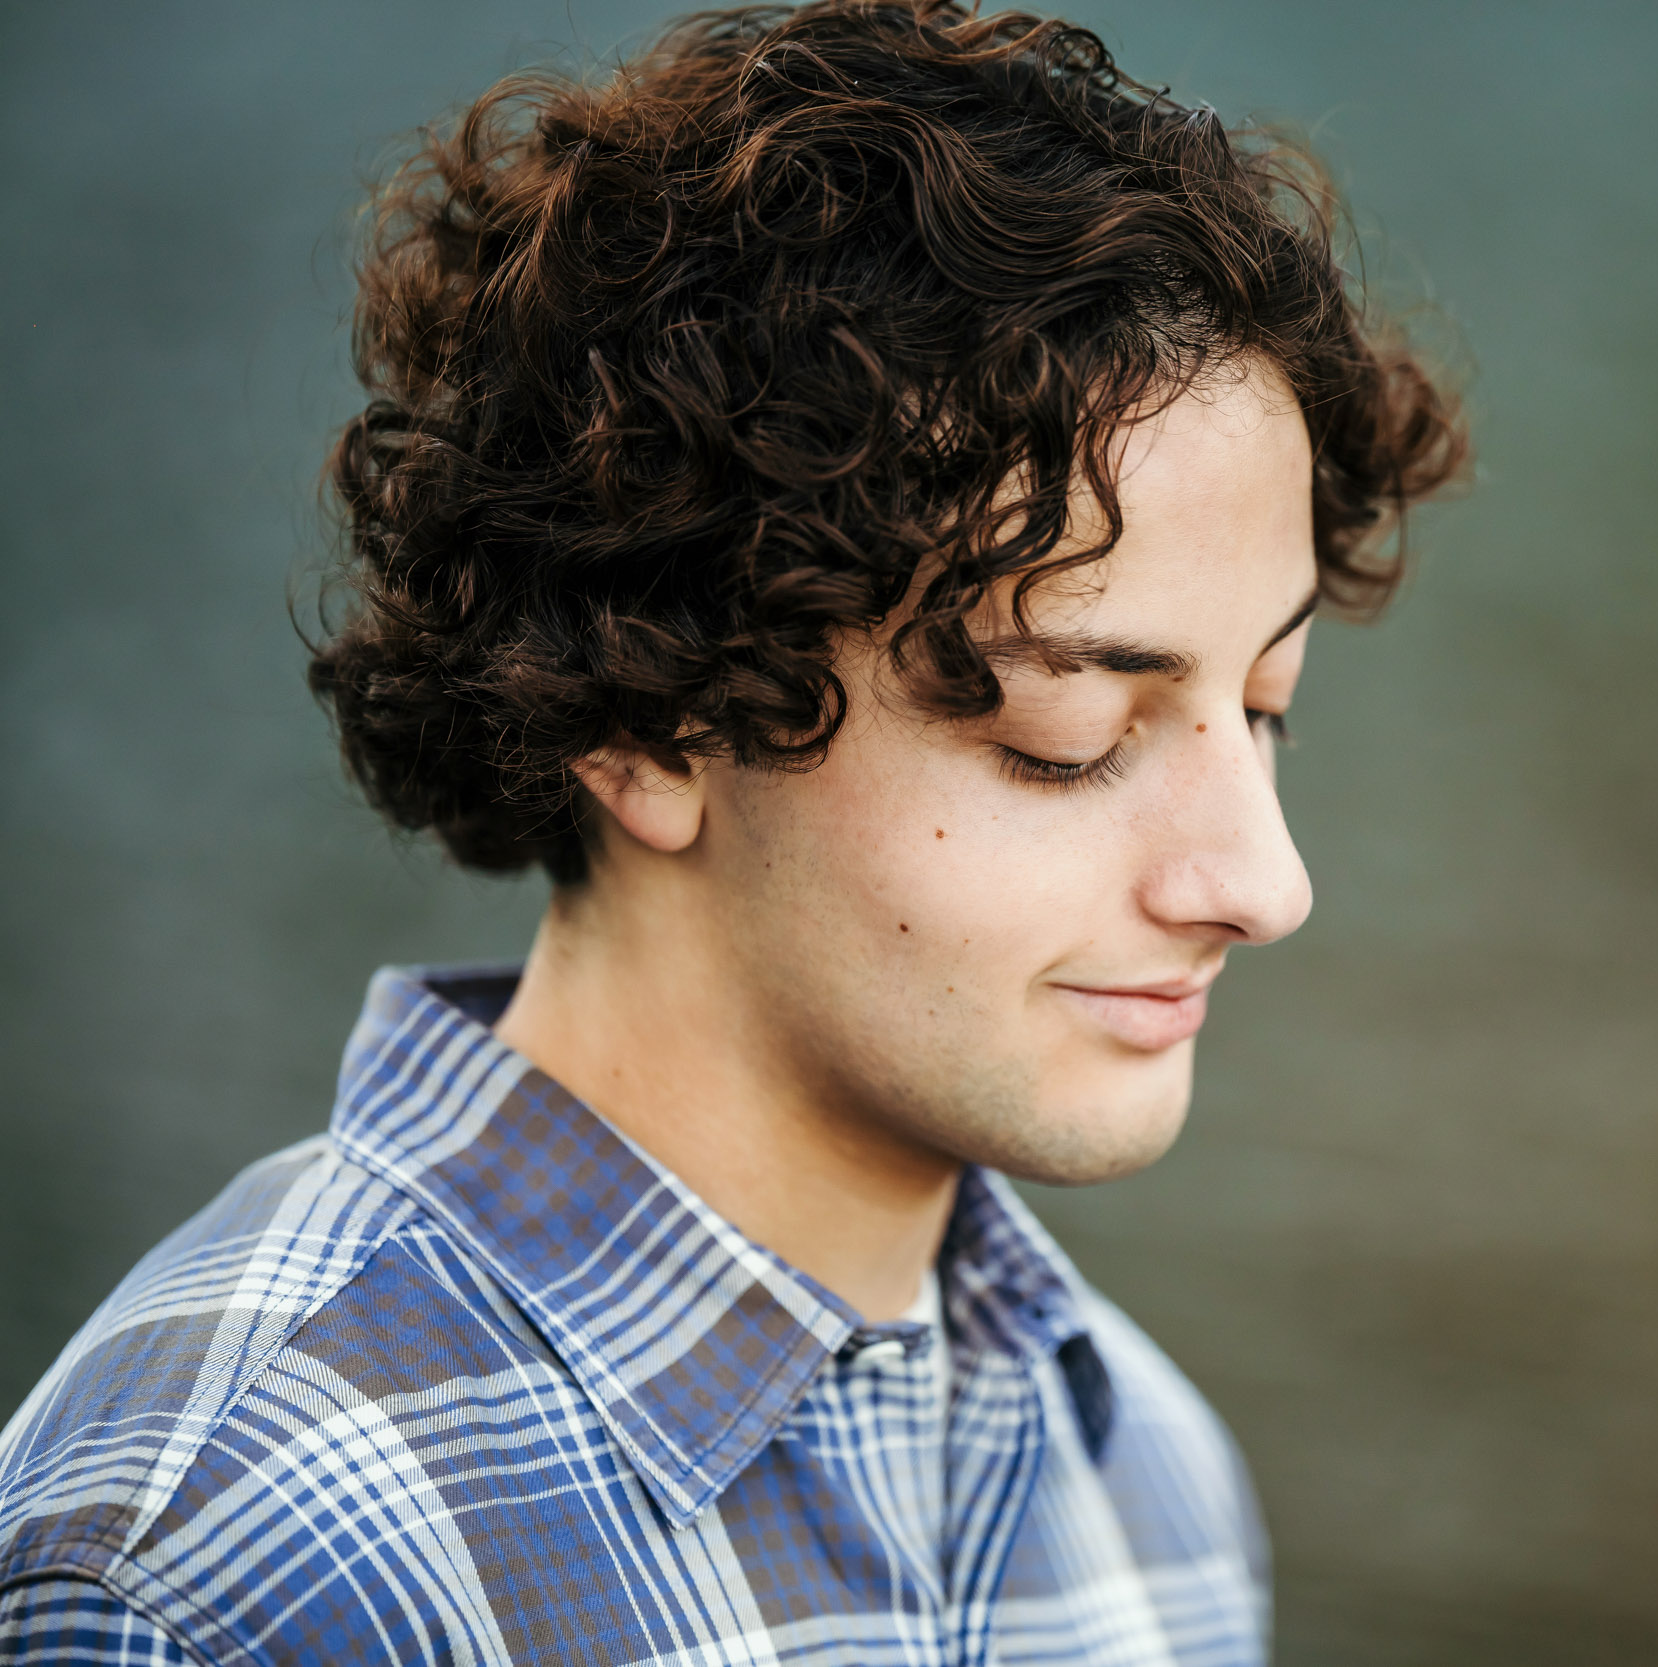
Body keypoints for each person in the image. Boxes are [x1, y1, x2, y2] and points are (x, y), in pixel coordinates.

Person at [0, 4, 1463, 1662]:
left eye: (1263, 706)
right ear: (643, 717)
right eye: (1072, 731)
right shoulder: (225, 1569)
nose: (1264, 883)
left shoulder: (1151, 1488)